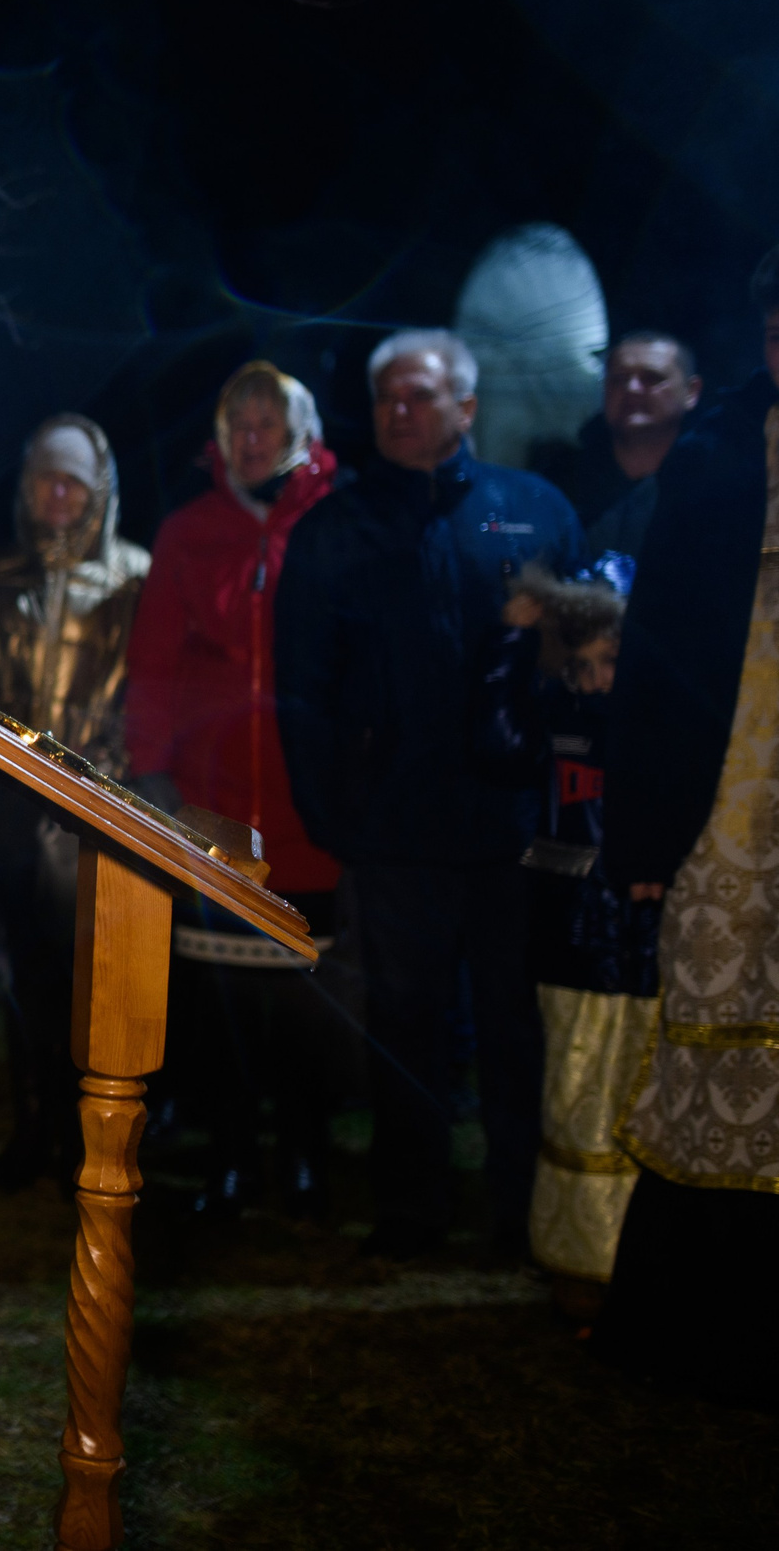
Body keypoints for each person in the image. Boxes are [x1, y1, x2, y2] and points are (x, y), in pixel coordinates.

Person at [274, 328, 582, 1258]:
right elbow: (302, 681)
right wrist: (329, 810)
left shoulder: (530, 511)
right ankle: (411, 1208)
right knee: (404, 1023)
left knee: (511, 1026)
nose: (398, 414)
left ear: (467, 407)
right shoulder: (338, 525)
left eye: (418, 396)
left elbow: (576, 666)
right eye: (385, 400)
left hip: (509, 824)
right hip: (394, 826)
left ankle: (521, 1210)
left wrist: (563, 798)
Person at [593, 245, 779, 1400]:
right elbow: (658, 664)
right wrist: (647, 838)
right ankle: (698, 1327)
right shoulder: (715, 459)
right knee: (713, 1038)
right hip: (731, 807)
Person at [125, 362, 342, 1217]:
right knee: (218, 1003)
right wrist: (153, 773)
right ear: (220, 437)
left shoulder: (333, 521)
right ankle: (230, 1154)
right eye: (238, 423)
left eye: (269, 422)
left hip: (306, 807)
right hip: (212, 809)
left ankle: (303, 1152)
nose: (253, 438)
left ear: (299, 429)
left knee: (304, 1000)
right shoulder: (187, 531)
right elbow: (154, 663)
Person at [0, 415, 151, 1191]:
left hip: (105, 814)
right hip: (12, 810)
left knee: (97, 982)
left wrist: (114, 766)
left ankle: (99, 1136)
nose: (58, 494)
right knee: (22, 973)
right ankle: (32, 1125)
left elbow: (156, 690)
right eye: (45, 479)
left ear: (98, 488)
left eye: (73, 480)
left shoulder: (137, 577)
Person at [475, 558, 651, 1318]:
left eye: (610, 661)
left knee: (636, 1094)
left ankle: (641, 1252)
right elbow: (498, 740)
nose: (595, 680)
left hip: (642, 941)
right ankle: (575, 1255)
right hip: (565, 941)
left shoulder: (655, 729)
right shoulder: (553, 716)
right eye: (581, 664)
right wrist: (512, 644)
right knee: (569, 1094)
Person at [547, 331, 701, 555]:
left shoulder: (713, 485)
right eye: (618, 378)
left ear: (691, 391)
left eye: (652, 378)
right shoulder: (561, 481)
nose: (632, 389)